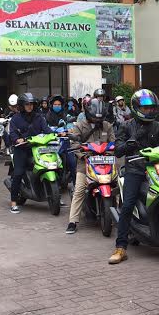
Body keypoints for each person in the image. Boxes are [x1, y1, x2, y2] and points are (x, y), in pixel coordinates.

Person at [110, 89, 159, 264]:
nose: (149, 111)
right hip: (135, 170)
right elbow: (118, 150)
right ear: (136, 108)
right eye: (145, 108)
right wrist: (130, 143)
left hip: (157, 170)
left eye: (152, 108)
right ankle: (121, 248)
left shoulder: (158, 126)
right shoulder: (126, 126)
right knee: (127, 205)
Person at [66, 98, 116, 235]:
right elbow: (74, 144)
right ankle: (73, 221)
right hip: (85, 163)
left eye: (99, 118)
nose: (97, 120)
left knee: (118, 187)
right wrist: (83, 155)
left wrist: (110, 152)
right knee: (79, 189)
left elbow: (114, 142)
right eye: (94, 118)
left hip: (106, 162)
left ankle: (120, 216)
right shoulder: (80, 126)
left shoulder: (107, 126)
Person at [7, 92, 50, 214]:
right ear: (22, 105)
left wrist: (56, 134)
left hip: (37, 148)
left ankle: (55, 195)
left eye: (31, 104)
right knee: (18, 173)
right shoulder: (15, 119)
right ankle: (13, 202)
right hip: (21, 149)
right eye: (27, 104)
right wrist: (17, 139)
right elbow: (12, 133)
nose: (30, 106)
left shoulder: (39, 117)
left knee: (51, 166)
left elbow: (46, 130)